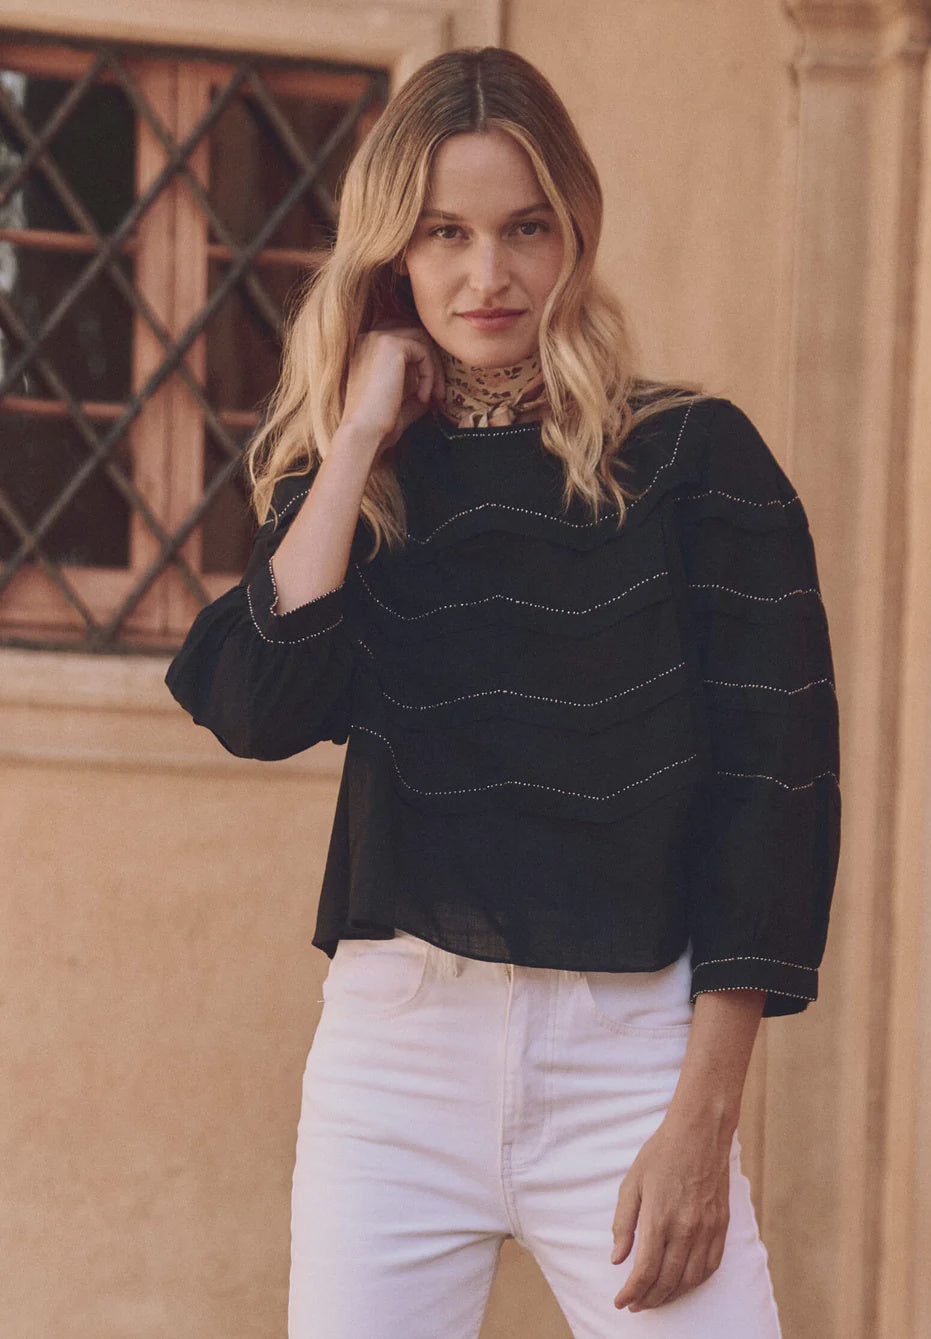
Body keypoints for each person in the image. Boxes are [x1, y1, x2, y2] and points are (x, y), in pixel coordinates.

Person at [164, 44, 841, 1339]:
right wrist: (356, 434)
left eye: (524, 227)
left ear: (573, 230)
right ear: (393, 256)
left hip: (629, 1058)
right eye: (445, 234)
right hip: (397, 1058)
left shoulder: (698, 461)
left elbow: (776, 791)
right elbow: (254, 707)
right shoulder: (373, 483)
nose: (489, 274)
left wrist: (704, 1117)